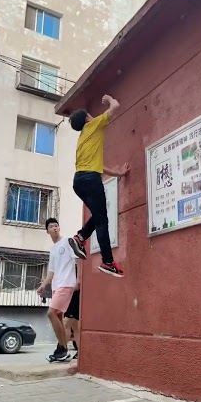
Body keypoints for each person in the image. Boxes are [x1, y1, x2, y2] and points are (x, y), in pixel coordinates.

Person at [67, 94, 130, 277]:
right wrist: (109, 99)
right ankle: (108, 262)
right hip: (90, 180)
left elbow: (99, 166)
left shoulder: (83, 139)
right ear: (88, 118)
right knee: (102, 220)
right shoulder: (93, 126)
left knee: (99, 214)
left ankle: (80, 238)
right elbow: (115, 106)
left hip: (79, 181)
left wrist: (119, 174)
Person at [37, 218, 80, 362]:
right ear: (47, 231)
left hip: (67, 283)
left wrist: (79, 279)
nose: (54, 228)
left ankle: (62, 348)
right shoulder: (53, 249)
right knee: (59, 317)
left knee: (51, 313)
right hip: (57, 285)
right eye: (51, 226)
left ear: (59, 228)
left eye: (56, 225)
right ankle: (63, 350)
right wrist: (44, 285)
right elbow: (51, 271)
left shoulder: (68, 241)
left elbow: (78, 258)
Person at [63, 268, 80, 359]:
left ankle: (62, 350)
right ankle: (81, 352)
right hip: (71, 295)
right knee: (75, 327)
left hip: (75, 294)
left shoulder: (76, 261)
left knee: (65, 324)